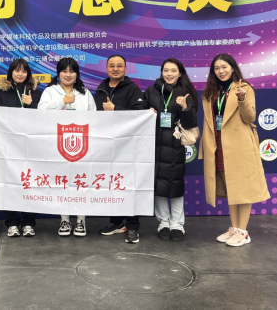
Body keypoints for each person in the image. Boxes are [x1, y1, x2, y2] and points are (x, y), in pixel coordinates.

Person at [198, 54, 270, 247]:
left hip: (239, 145)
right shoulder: (210, 92)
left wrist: (242, 99)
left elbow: (250, 117)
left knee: (243, 188)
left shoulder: (244, 88)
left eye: (224, 67)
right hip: (218, 144)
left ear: (232, 68)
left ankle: (243, 232)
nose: (221, 71)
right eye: (217, 68)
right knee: (231, 186)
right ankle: (235, 228)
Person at [38, 57, 97, 237]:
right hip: (57, 144)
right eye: (64, 71)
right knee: (62, 182)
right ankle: (64, 219)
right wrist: (63, 101)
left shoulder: (85, 93)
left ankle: (81, 220)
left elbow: (94, 117)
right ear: (58, 73)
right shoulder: (50, 91)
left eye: (72, 71)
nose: (68, 75)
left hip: (81, 144)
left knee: (80, 181)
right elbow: (40, 113)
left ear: (77, 74)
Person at [143, 58, 198, 243]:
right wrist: (147, 113)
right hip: (154, 145)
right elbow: (140, 114)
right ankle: (163, 223)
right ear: (161, 72)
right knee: (158, 186)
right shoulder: (152, 91)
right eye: (166, 70)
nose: (169, 74)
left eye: (173, 70)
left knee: (175, 186)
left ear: (180, 73)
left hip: (175, 146)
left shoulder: (185, 92)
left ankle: (177, 224)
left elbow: (191, 123)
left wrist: (184, 107)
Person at [95, 55, 146, 244]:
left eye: (119, 66)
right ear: (106, 68)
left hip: (128, 146)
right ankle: (116, 223)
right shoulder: (100, 89)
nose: (115, 69)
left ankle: (132, 226)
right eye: (112, 66)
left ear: (125, 68)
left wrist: (115, 110)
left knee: (129, 185)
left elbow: (139, 115)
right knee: (112, 184)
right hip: (107, 146)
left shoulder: (133, 89)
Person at [0, 58, 43, 238]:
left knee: (29, 183)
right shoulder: (2, 92)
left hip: (31, 146)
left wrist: (32, 104)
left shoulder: (36, 92)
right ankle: (12, 222)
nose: (20, 74)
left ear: (28, 73)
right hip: (8, 147)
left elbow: (45, 118)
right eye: (17, 70)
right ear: (11, 72)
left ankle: (29, 222)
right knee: (10, 184)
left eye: (23, 71)